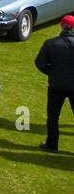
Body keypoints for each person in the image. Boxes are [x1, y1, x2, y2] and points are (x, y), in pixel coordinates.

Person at [36, 15, 74, 152]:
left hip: (56, 86)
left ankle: (52, 145)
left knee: (53, 117)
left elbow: (39, 63)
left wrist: (52, 73)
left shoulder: (51, 43)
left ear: (61, 26)